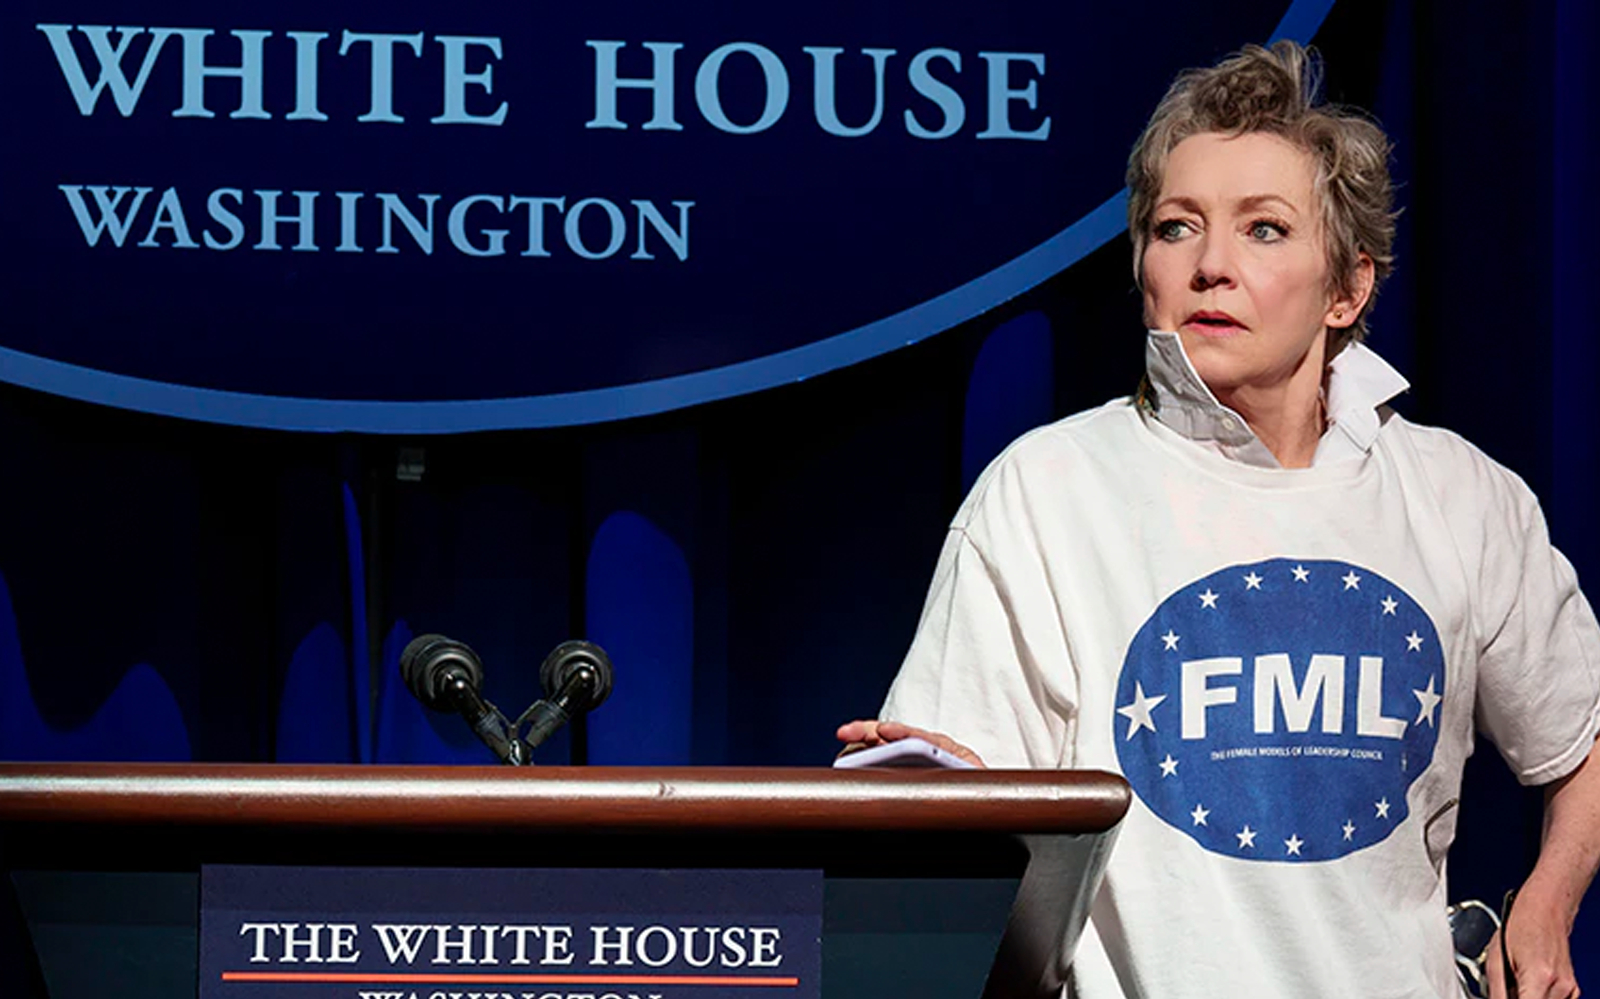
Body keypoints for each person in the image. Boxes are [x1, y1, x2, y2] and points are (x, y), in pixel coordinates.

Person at [838, 41, 1600, 999]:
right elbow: (956, 815)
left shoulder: (1459, 495)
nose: (1210, 266)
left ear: (1349, 289)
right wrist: (933, 794)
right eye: (1175, 228)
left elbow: (1584, 735)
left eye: (1265, 230)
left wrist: (1547, 902)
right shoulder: (1047, 491)